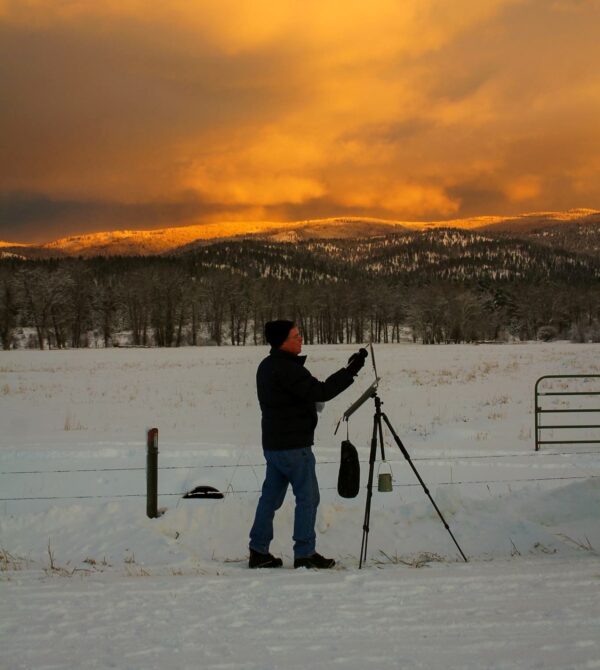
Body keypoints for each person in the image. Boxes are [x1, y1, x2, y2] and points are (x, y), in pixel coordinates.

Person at [249, 320, 367, 569]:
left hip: (273, 446)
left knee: (269, 498)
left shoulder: (267, 366)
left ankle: (258, 551)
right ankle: (304, 553)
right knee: (308, 498)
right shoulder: (289, 369)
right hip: (294, 447)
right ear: (283, 341)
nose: (301, 339)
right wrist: (350, 372)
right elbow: (321, 392)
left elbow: (307, 393)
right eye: (296, 335)